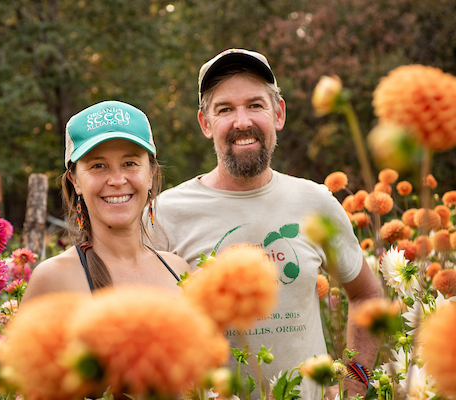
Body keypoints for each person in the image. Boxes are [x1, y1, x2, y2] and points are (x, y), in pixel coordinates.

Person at [149, 49, 381, 399]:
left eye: (255, 105)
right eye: (225, 109)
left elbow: (366, 294)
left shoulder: (315, 202)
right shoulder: (165, 214)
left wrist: (355, 380)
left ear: (279, 113)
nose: (242, 121)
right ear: (205, 124)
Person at [23, 100, 188, 302]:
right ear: (75, 181)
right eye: (98, 165)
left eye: (130, 163)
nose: (117, 180)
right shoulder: (52, 279)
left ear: (150, 175)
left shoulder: (178, 271)